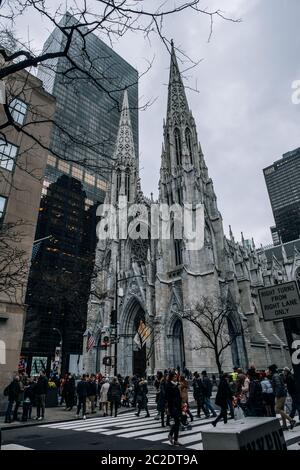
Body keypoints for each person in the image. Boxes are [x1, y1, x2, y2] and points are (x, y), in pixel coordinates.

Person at [268, 364, 296, 430]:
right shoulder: (276, 375)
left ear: (271, 370)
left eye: (269, 370)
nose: (268, 372)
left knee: (277, 409)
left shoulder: (275, 376)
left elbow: (278, 385)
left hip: (280, 395)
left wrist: (277, 395)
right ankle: (284, 426)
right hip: (282, 394)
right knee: (281, 410)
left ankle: (291, 420)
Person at [165, 371, 182, 446]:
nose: (176, 378)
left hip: (178, 406)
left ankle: (174, 439)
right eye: (174, 377)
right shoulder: (169, 385)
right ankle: (172, 437)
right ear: (171, 377)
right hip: (172, 406)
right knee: (177, 422)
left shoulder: (176, 385)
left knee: (177, 423)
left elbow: (178, 395)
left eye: (176, 376)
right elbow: (168, 397)